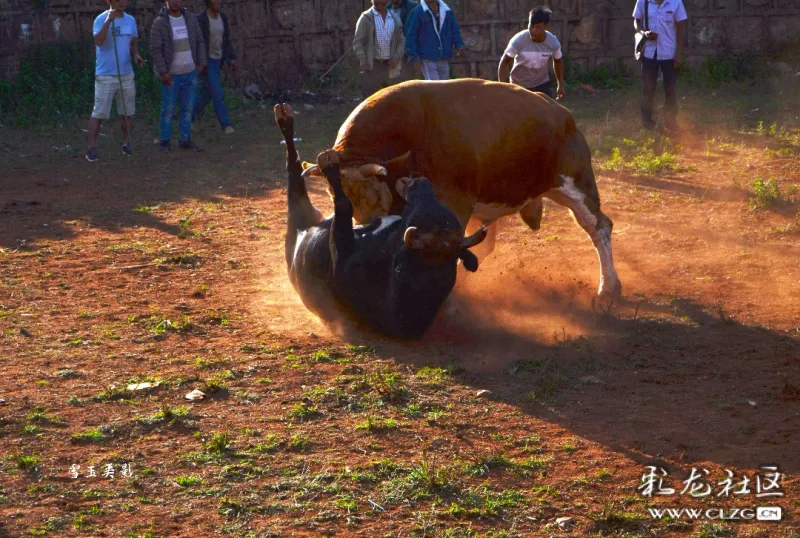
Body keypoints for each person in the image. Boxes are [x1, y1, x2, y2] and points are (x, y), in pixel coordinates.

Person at [86, 0, 144, 162]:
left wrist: (135, 56)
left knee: (127, 111)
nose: (122, 2)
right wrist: (108, 22)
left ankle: (127, 143)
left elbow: (133, 42)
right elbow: (98, 41)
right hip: (105, 75)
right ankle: (91, 147)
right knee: (99, 112)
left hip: (126, 73)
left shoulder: (130, 20)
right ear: (109, 1)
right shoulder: (100, 19)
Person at [151, 0, 207, 152]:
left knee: (187, 109)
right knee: (168, 110)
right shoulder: (160, 23)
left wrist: (201, 63)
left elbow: (200, 42)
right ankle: (165, 141)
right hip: (172, 75)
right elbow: (156, 50)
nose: (175, 2)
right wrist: (163, 72)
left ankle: (185, 139)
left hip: (190, 72)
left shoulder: (190, 18)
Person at [633, 0, 687, 132]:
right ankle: (647, 121)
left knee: (670, 89)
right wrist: (643, 33)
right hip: (649, 53)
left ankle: (670, 121)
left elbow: (681, 27)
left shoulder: (675, 3)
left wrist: (679, 52)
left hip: (669, 52)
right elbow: (636, 22)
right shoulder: (643, 2)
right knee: (648, 88)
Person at [497, 7, 565, 100]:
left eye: (538, 27)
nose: (533, 31)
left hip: (541, 84)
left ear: (546, 27)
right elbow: (504, 62)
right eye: (531, 26)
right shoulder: (518, 40)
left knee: (547, 112)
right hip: (519, 85)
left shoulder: (553, 43)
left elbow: (558, 61)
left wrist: (560, 84)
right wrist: (503, 88)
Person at [195, 0, 237, 134]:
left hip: (218, 60)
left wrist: (231, 58)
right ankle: (226, 125)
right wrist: (200, 62)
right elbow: (198, 43)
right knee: (217, 92)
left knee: (206, 94)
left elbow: (226, 40)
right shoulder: (201, 19)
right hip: (207, 61)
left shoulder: (222, 17)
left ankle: (188, 117)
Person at [353, 0, 406, 97]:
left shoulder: (394, 18)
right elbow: (357, 42)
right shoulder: (366, 18)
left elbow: (401, 41)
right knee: (370, 99)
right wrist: (363, 59)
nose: (380, 2)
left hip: (390, 66)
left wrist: (396, 57)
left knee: (392, 98)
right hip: (372, 66)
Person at [405, 0, 465, 81]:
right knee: (435, 86)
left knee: (444, 85)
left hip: (443, 56)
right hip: (427, 58)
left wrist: (459, 44)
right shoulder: (417, 12)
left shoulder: (446, 10)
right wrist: (413, 56)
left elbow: (454, 29)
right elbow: (410, 35)